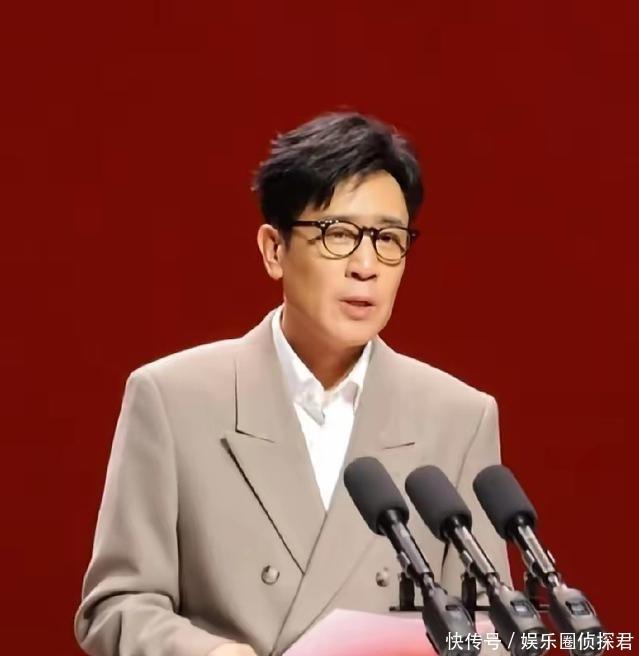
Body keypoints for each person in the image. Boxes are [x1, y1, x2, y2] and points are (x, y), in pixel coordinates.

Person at [74, 112, 511, 656]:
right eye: (339, 235)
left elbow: (487, 625)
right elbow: (118, 604)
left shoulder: (459, 417)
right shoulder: (172, 399)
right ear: (274, 250)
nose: (366, 265)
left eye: (388, 239)